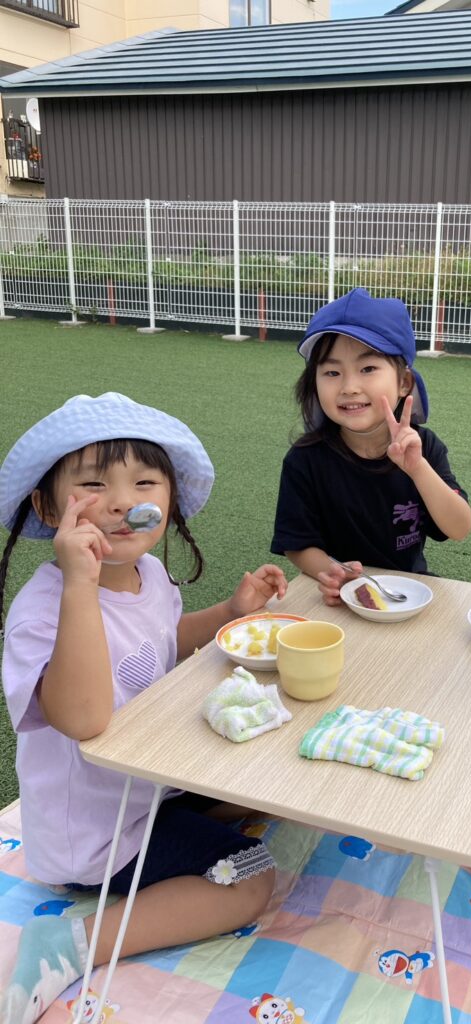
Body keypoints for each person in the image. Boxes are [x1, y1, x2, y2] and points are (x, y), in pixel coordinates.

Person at [0, 393, 287, 1024]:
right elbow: (82, 718)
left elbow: (163, 640)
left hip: (148, 789)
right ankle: (74, 942)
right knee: (252, 875)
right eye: (93, 484)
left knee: (268, 788)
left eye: (144, 483)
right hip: (98, 834)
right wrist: (80, 583)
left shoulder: (149, 574)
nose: (121, 501)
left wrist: (231, 612)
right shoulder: (43, 610)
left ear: (168, 500)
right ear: (48, 507)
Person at [271, 288, 471, 604]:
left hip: (407, 591)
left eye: (367, 369)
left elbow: (459, 527)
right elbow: (297, 543)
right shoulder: (305, 459)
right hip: (337, 596)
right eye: (332, 372)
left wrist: (418, 469)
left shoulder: (424, 447)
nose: (349, 387)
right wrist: (334, 573)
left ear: (404, 382)